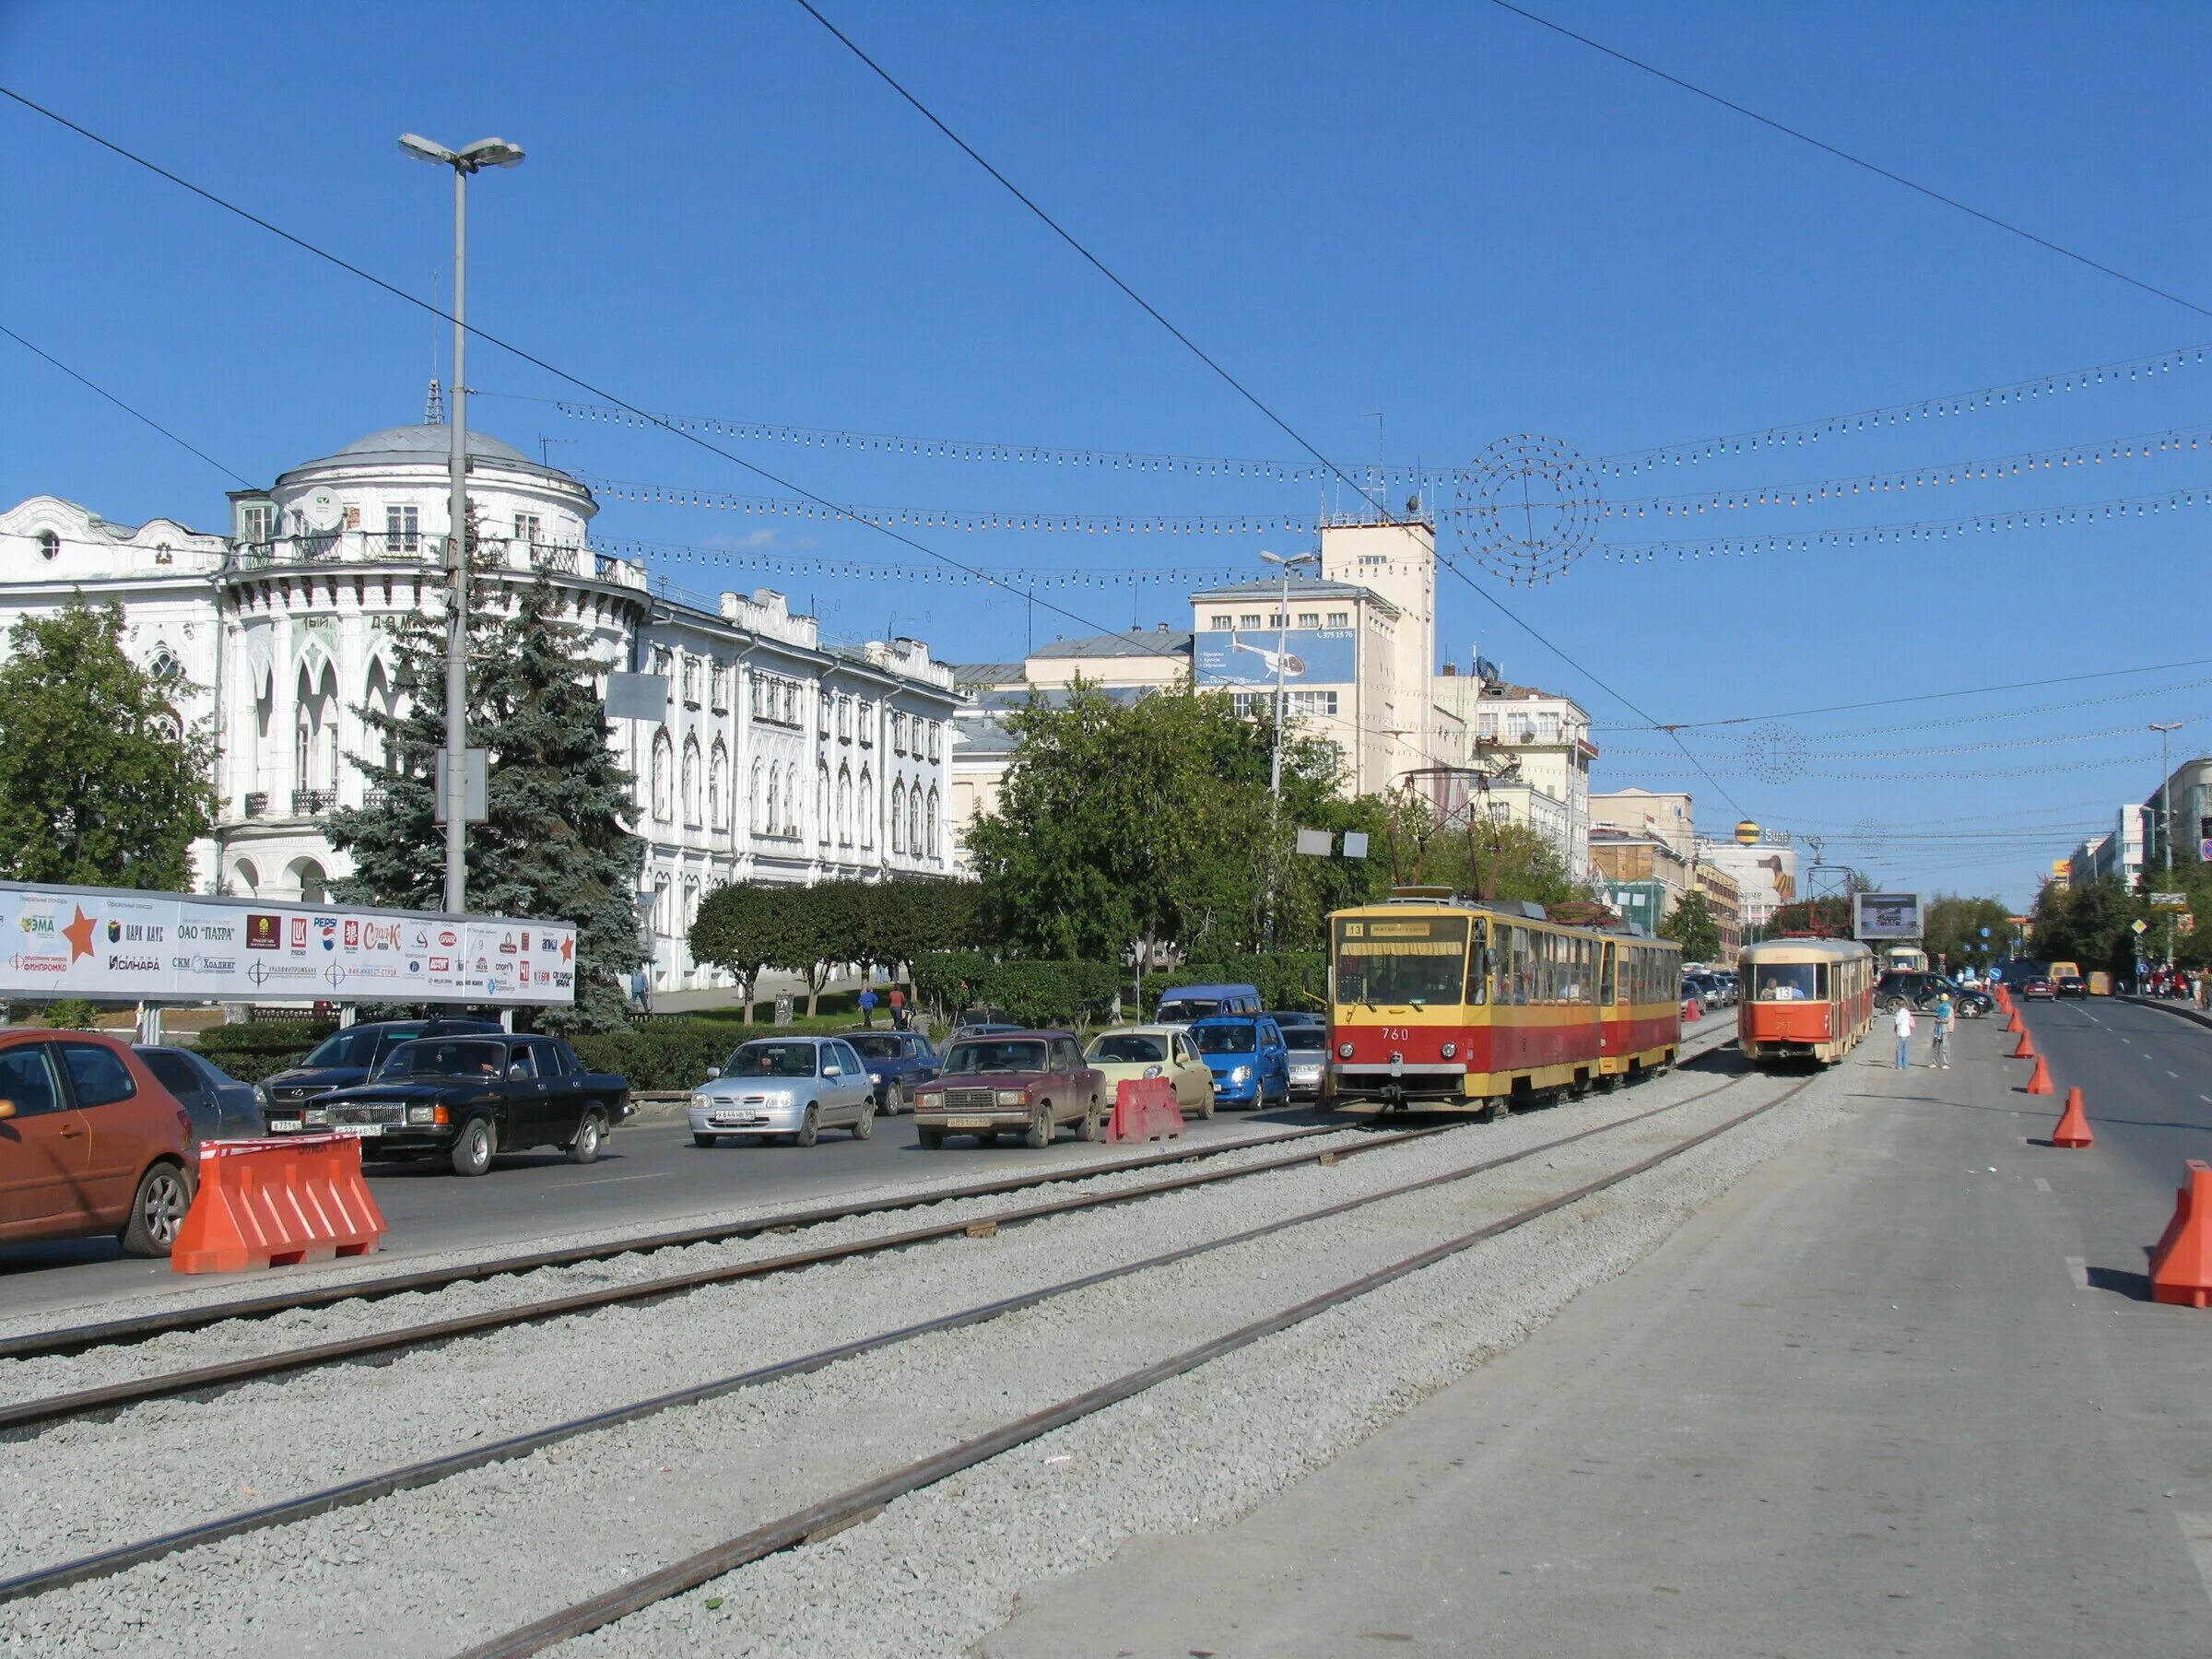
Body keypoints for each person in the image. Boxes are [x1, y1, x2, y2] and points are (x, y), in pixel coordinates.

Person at [1931, 994, 1954, 1070]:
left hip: (1945, 1030)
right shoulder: (1941, 1007)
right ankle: (1935, 1062)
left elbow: (1948, 1019)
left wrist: (1939, 1020)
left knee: (1945, 1047)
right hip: (1938, 1029)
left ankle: (1946, 1063)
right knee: (1935, 1046)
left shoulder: (1949, 1008)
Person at [1892, 1000, 1915, 1070]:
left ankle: (1899, 1065)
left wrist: (1895, 1017)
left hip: (1901, 1033)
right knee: (1905, 1049)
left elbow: (1897, 1022)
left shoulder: (1900, 1013)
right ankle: (1905, 1064)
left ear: (1899, 1005)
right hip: (1907, 1032)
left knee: (1899, 1050)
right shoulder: (1907, 1012)